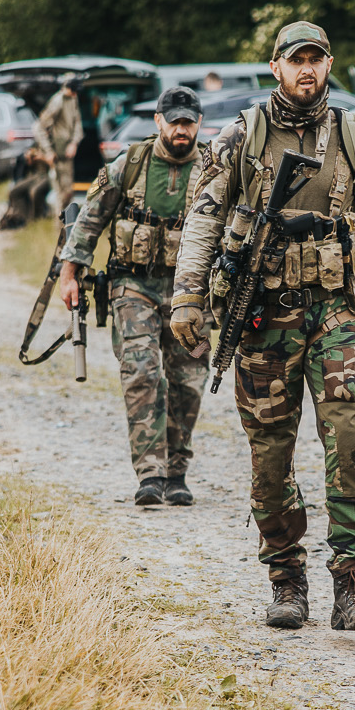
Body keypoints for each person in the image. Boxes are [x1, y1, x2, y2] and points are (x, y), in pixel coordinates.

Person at [170, 21, 355, 630]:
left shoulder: (353, 134)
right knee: (270, 453)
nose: (307, 70)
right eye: (296, 61)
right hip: (264, 315)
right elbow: (204, 218)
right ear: (275, 67)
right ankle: (286, 580)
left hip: (335, 310)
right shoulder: (242, 136)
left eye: (316, 60)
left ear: (329, 64)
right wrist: (187, 299)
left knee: (347, 440)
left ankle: (352, 584)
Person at [57, 86, 212, 506]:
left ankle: (176, 472)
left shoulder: (216, 169)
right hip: (134, 285)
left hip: (192, 294)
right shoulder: (130, 164)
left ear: (198, 124)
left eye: (189, 122)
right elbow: (89, 220)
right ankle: (150, 474)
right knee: (142, 372)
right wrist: (70, 273)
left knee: (187, 383)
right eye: (174, 121)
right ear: (159, 121)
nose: (182, 130)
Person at [37, 74, 84, 206]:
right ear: (67, 87)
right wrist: (48, 151)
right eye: (74, 90)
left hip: (67, 154)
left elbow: (77, 124)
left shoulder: (74, 99)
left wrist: (74, 143)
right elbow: (39, 127)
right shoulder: (57, 101)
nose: (75, 93)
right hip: (57, 155)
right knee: (61, 194)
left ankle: (66, 225)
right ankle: (60, 226)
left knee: (68, 192)